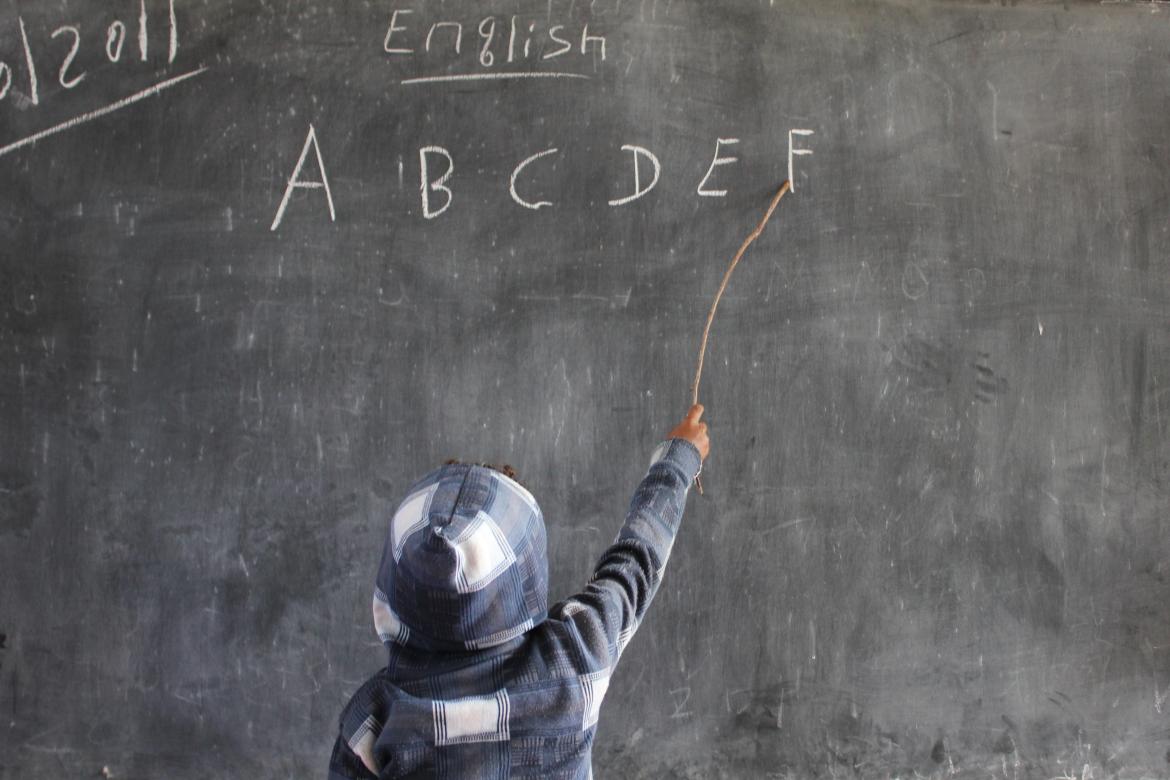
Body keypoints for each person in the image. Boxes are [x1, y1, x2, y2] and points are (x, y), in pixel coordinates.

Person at [328, 404, 710, 779]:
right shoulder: (574, 662)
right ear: (525, 575)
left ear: (395, 586)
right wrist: (678, 457)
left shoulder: (372, 718)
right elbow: (636, 558)